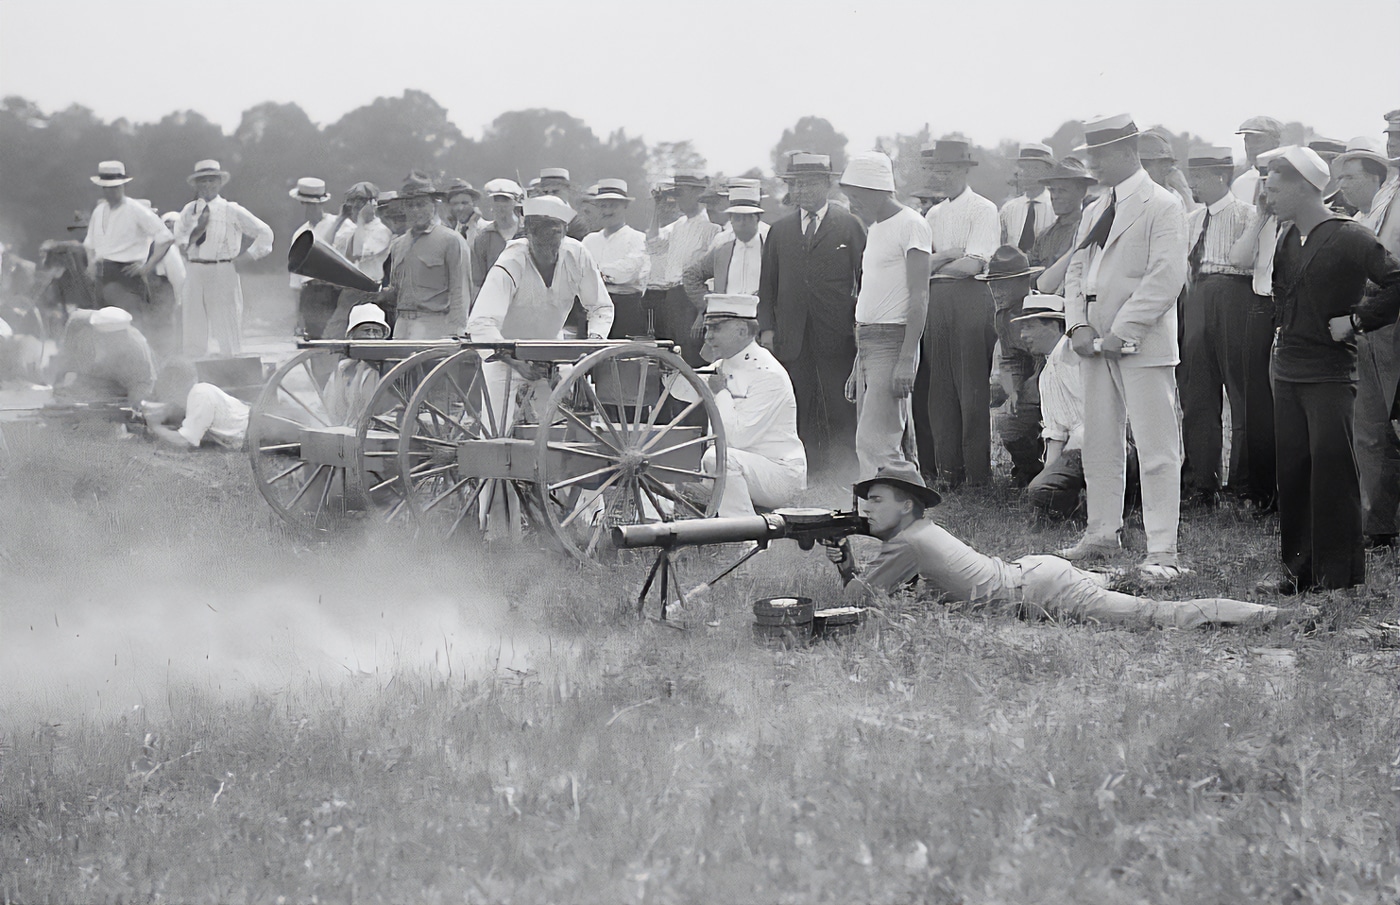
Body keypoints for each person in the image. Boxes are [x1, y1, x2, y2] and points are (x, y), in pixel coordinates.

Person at [825, 462, 1311, 628]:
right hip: (1035, 573)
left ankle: (1275, 617)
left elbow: (854, 605)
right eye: (866, 500)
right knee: (1128, 581)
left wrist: (846, 563)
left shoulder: (906, 543)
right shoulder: (916, 533)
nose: (866, 508)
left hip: (1042, 589)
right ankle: (1166, 571)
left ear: (906, 506)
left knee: (1158, 616)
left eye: (877, 499)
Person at [1262, 146, 1400, 593]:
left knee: (1333, 473)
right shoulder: (1288, 237)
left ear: (1304, 187)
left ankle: (1338, 578)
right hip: (1289, 371)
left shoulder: (1348, 235)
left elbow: (1396, 281)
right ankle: (1298, 573)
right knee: (1295, 472)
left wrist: (1358, 319)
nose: (1267, 195)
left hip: (1330, 375)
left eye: (1275, 186)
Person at [1060, 114, 1190, 583]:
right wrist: (1076, 324)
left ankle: (1163, 550)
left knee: (1157, 447)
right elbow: (1077, 270)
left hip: (1141, 343)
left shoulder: (1163, 204)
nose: (1092, 164)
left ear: (1123, 151)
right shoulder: (1096, 208)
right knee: (1099, 439)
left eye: (1097, 156)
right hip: (1094, 341)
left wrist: (1123, 328)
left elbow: (1165, 277)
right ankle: (1101, 531)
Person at [757, 153, 867, 477]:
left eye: (808, 183)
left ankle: (846, 472)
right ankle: (807, 470)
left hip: (837, 334)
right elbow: (767, 288)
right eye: (795, 183)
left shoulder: (849, 225)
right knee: (799, 404)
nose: (801, 190)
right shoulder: (779, 231)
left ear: (827, 184)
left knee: (839, 405)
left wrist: (860, 325)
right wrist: (767, 330)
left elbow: (866, 280)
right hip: (792, 336)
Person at [467, 194, 614, 431]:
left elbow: (601, 307)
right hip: (504, 356)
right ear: (529, 233)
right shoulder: (511, 262)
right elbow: (481, 323)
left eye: (557, 233)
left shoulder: (577, 255)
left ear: (564, 231)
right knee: (495, 432)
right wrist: (514, 361)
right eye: (543, 233)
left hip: (554, 353)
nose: (551, 243)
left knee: (568, 428)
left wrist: (591, 345)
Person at [838, 151, 931, 477]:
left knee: (876, 441)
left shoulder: (912, 225)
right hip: (869, 342)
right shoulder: (876, 229)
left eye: (856, 198)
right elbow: (872, 295)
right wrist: (857, 363)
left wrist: (907, 357)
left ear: (877, 190)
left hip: (894, 340)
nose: (852, 206)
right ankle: (892, 509)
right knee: (883, 439)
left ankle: (891, 512)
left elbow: (919, 294)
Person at [919, 136, 1001, 486]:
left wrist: (942, 263)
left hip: (970, 300)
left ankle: (977, 475)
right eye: (939, 169)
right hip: (936, 302)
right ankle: (949, 472)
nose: (944, 175)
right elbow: (921, 265)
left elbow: (974, 264)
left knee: (970, 390)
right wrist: (947, 256)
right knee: (940, 391)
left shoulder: (984, 209)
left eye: (951, 169)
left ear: (965, 170)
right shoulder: (932, 214)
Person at [1179, 147, 1256, 506]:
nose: (1193, 184)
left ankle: (1243, 484)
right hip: (1198, 297)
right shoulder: (1192, 219)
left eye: (1200, 177)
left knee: (1241, 392)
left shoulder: (1247, 214)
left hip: (1235, 295)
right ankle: (1200, 482)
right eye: (1191, 177)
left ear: (1221, 177)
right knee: (1197, 392)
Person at [690, 293, 806, 518]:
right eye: (707, 328)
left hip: (779, 474)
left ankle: (743, 533)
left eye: (716, 328)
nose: (708, 336)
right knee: (662, 461)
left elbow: (737, 439)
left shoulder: (767, 374)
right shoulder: (721, 365)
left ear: (742, 331)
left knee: (716, 458)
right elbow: (679, 388)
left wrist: (720, 392)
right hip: (741, 469)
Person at [173, 159, 274, 357]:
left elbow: (265, 233)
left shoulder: (231, 209)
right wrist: (184, 244)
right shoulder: (189, 210)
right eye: (203, 181)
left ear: (219, 183)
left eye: (212, 181)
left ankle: (231, 364)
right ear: (196, 185)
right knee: (194, 322)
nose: (208, 185)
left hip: (222, 269)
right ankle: (197, 367)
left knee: (226, 322)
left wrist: (248, 256)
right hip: (194, 269)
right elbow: (179, 233)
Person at [81, 162, 175, 343]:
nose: (111, 192)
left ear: (123, 185)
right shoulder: (99, 210)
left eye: (115, 187)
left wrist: (146, 267)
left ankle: (138, 364)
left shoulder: (135, 209)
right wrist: (91, 265)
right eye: (107, 188)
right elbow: (89, 244)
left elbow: (166, 237)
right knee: (104, 326)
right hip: (103, 274)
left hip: (127, 274)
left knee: (133, 327)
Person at [976, 246, 1045, 485]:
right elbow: (1010, 358)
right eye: (992, 284)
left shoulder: (1041, 308)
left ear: (1023, 281)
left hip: (1058, 380)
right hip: (1031, 379)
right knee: (1008, 422)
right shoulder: (1002, 315)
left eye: (1002, 283)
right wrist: (1012, 389)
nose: (996, 291)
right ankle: (1030, 469)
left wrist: (1033, 388)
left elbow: (1057, 359)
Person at [379, 174, 470, 340]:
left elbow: (460, 292)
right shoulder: (398, 244)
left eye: (421, 204)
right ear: (403, 209)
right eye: (410, 205)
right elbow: (395, 290)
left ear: (434, 205)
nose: (415, 210)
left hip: (435, 324)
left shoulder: (451, 240)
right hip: (402, 325)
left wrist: (457, 332)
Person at [645, 170, 720, 364]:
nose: (678, 199)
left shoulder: (711, 228)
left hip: (693, 300)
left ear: (697, 193)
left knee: (692, 356)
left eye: (682, 193)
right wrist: (657, 207)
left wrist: (701, 313)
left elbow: (711, 277)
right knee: (673, 356)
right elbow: (653, 244)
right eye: (675, 193)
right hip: (672, 296)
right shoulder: (678, 225)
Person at [683, 184, 766, 344]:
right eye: (737, 217)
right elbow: (691, 275)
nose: (743, 223)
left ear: (757, 218)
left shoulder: (770, 248)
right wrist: (708, 304)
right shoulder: (722, 250)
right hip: (727, 323)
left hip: (760, 324)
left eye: (749, 217)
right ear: (731, 220)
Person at [581, 179, 650, 337]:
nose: (607, 211)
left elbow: (628, 272)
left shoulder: (638, 238)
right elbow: (579, 272)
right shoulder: (588, 241)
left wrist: (595, 274)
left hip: (625, 309)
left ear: (625, 206)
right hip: (591, 308)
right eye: (603, 206)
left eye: (613, 205)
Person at [49, 306, 156, 406]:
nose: (103, 341)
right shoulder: (80, 323)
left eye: (109, 338)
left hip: (118, 391)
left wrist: (131, 409)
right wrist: (58, 384)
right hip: (86, 384)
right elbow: (65, 358)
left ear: (121, 335)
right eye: (100, 336)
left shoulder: (137, 349)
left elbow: (143, 385)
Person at [289, 177, 354, 340]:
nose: (308, 209)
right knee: (314, 341)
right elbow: (296, 281)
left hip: (334, 291)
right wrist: (298, 315)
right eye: (304, 204)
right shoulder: (299, 233)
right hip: (310, 294)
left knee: (335, 340)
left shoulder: (342, 226)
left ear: (321, 203)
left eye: (312, 204)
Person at [327, 181, 394, 338]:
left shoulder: (382, 231)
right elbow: (326, 248)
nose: (357, 206)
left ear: (373, 204)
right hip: (348, 291)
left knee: (363, 336)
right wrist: (340, 218)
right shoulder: (353, 229)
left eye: (362, 201)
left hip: (369, 292)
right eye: (354, 202)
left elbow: (357, 253)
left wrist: (362, 219)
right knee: (333, 335)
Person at [142, 358, 249, 451]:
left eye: (166, 382)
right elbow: (173, 409)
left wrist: (155, 427)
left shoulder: (199, 395)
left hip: (251, 434)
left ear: (174, 382)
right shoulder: (198, 390)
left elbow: (184, 441)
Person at [1030, 157, 1095, 293]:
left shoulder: (1089, 231)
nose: (1055, 196)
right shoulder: (1044, 236)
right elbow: (1032, 276)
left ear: (1081, 192)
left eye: (1062, 190)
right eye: (1052, 191)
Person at [324, 303, 392, 426]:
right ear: (352, 336)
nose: (372, 336)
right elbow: (330, 407)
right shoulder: (343, 369)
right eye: (366, 331)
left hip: (380, 433)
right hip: (345, 431)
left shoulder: (391, 370)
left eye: (376, 332)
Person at [471, 178, 526, 301]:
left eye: (505, 200)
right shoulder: (483, 238)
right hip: (495, 299)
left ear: (515, 202)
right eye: (496, 200)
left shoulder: (528, 233)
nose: (500, 205)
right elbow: (478, 280)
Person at [999, 143, 1057, 251]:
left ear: (1048, 171)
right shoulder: (1008, 209)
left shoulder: (1057, 207)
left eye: (1034, 168)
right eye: (1023, 168)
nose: (1026, 173)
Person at [1137, 129, 1199, 212]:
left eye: (1145, 164)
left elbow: (1193, 222)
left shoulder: (1176, 198)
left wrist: (1185, 192)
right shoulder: (1128, 196)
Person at [1233, 116, 1283, 204]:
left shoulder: (1289, 180)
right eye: (1247, 141)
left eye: (1258, 140)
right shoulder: (1240, 184)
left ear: (1276, 142)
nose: (1251, 146)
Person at [532, 168, 591, 241]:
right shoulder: (534, 216)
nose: (550, 196)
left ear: (568, 190)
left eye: (555, 192)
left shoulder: (576, 221)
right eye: (545, 192)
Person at [443, 178, 484, 248]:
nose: (460, 208)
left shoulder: (485, 229)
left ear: (474, 203)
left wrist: (472, 225)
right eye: (455, 204)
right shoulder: (444, 231)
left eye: (465, 203)